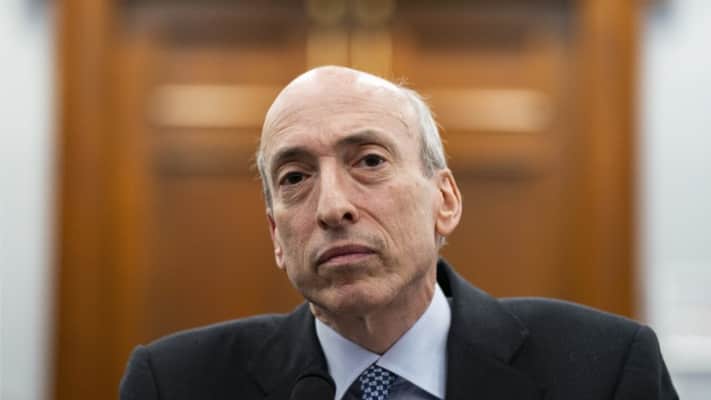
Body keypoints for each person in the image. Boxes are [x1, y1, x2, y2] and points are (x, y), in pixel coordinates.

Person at [120, 66, 678, 400]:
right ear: (275, 234)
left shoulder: (605, 368)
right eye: (295, 177)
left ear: (445, 200)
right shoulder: (175, 384)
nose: (332, 207)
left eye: (369, 161)